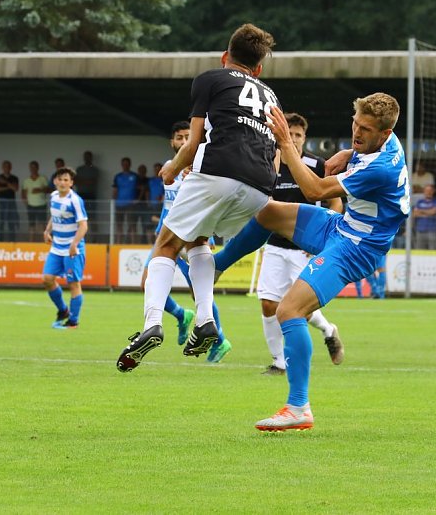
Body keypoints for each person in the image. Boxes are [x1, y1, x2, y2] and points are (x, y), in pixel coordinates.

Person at [211, 92, 408, 431]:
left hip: (356, 247)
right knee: (268, 212)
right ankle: (213, 268)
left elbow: (316, 190)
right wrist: (349, 152)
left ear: (384, 134)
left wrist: (287, 145)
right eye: (355, 124)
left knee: (288, 310)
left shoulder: (380, 169)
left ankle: (299, 406)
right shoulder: (386, 143)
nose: (356, 132)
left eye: (365, 129)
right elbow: (359, 150)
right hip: (344, 227)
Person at [116, 23, 279, 372]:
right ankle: (206, 320)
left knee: (165, 245)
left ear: (225, 56)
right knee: (197, 239)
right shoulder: (269, 94)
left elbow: (192, 143)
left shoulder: (211, 79)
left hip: (219, 171)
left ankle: (151, 324)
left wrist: (172, 168)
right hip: (260, 187)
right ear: (259, 68)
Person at [255, 112, 344, 375]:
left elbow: (336, 202)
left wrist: (324, 238)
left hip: (304, 248)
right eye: (289, 133)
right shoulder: (270, 163)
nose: (293, 139)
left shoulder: (316, 165)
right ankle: (279, 362)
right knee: (268, 303)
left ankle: (328, 329)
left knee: (299, 310)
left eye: (298, 134)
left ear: (304, 138)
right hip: (274, 243)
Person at [141, 121, 231, 364]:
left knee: (198, 292)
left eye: (186, 137)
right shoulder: (170, 168)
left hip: (191, 238)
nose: (182, 142)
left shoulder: (200, 167)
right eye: (178, 138)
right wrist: (160, 231)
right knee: (145, 282)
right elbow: (169, 207)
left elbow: (204, 206)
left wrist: (208, 238)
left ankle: (219, 338)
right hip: (169, 238)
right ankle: (182, 316)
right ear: (172, 142)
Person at [42, 167, 88, 329]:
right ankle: (63, 310)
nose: (62, 182)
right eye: (60, 179)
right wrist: (48, 231)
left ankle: (73, 321)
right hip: (56, 247)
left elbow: (83, 226)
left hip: (72, 249)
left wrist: (74, 244)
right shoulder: (53, 196)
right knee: (47, 278)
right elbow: (54, 216)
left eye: (66, 180)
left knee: (73, 284)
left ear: (71, 183)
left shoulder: (75, 200)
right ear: (55, 181)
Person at [112, 157, 139, 243]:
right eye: (124, 164)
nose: (125, 166)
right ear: (121, 165)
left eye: (127, 164)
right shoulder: (118, 176)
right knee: (119, 225)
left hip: (131, 205)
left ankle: (133, 244)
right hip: (119, 204)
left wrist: (137, 200)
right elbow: (115, 190)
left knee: (132, 225)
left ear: (130, 165)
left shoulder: (135, 176)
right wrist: (114, 202)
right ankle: (118, 243)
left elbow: (141, 189)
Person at [22, 160, 49, 242]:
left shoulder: (43, 178)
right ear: (29, 168)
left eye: (34, 167)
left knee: (42, 225)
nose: (33, 169)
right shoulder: (26, 180)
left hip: (41, 205)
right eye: (31, 167)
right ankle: (31, 242)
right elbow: (23, 193)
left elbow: (48, 189)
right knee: (31, 225)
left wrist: (40, 190)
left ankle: (44, 242)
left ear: (38, 168)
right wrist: (26, 203)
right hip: (31, 205)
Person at [0, 160, 19, 242]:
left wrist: (5, 183)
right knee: (0, 223)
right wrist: (9, 186)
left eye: (8, 166)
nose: (6, 168)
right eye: (5, 166)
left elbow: (15, 189)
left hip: (11, 203)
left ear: (10, 168)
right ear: (2, 167)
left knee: (11, 223)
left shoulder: (14, 178)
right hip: (1, 202)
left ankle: (12, 241)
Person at [413, 184, 436, 250]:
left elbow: (434, 212)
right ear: (424, 191)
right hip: (420, 230)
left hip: (432, 230)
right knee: (419, 252)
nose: (428, 192)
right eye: (427, 190)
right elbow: (415, 214)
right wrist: (428, 212)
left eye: (430, 190)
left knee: (433, 251)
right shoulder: (419, 202)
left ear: (433, 191)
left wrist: (421, 211)